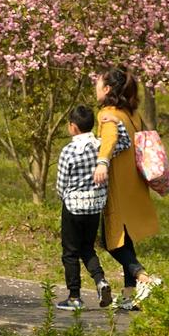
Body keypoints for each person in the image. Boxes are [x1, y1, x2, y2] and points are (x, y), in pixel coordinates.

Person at [91, 68, 162, 311]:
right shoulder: (131, 114)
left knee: (111, 241)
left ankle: (144, 279)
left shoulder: (108, 114)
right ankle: (129, 295)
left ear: (108, 89)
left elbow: (109, 139)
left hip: (118, 186)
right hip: (135, 183)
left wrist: (101, 162)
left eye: (98, 84)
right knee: (126, 239)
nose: (96, 87)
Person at [53, 103, 113, 311]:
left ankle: (74, 296)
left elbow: (61, 183)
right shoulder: (101, 146)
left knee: (70, 252)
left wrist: (65, 199)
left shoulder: (69, 151)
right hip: (95, 206)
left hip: (73, 208)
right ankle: (100, 281)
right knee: (87, 248)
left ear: (73, 127)